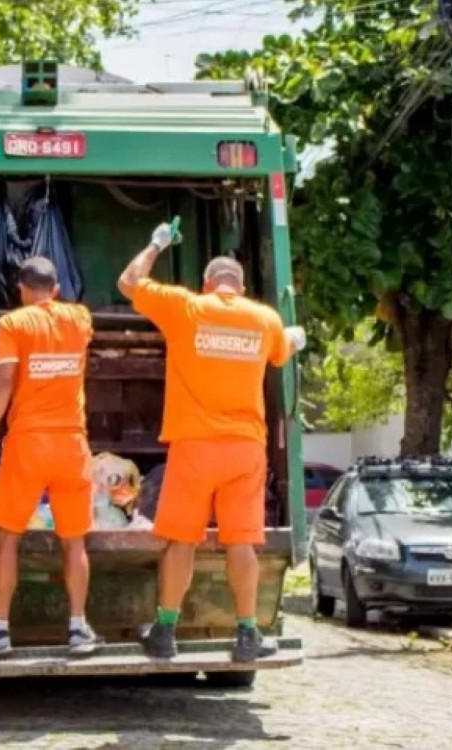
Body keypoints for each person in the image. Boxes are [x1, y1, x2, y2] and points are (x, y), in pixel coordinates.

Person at [117, 223, 306, 663]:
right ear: (240, 287)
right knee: (241, 543)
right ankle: (246, 633)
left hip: (195, 447)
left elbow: (129, 282)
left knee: (181, 541)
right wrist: (294, 339)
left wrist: (157, 242)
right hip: (244, 450)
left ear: (207, 284)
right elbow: (281, 352)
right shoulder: (264, 319)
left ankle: (165, 631)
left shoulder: (187, 307)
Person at [0, 256, 103, 657]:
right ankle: (78, 628)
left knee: (8, 536)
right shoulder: (80, 318)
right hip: (72, 444)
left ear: (20, 289)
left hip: (29, 444)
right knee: (74, 541)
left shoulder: (13, 323)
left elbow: (4, 378)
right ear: (56, 288)